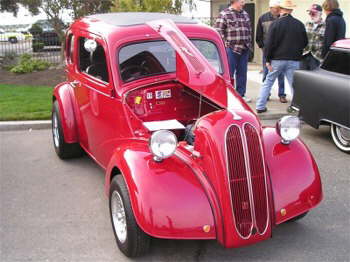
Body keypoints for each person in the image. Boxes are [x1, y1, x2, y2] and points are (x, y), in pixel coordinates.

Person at [256, 0, 308, 113]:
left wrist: (268, 60)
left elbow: (269, 44)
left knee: (268, 82)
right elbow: (305, 42)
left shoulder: (275, 24)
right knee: (294, 85)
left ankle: (260, 106)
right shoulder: (299, 24)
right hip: (294, 59)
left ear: (281, 9)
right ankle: (298, 107)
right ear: (291, 10)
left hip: (277, 59)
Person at [215, 0, 252, 103]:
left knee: (242, 73)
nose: (243, 3)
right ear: (234, 1)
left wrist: (249, 45)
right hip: (231, 49)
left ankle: (241, 95)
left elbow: (249, 30)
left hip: (244, 48)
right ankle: (227, 95)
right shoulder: (224, 14)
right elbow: (218, 31)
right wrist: (226, 45)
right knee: (228, 74)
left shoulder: (245, 14)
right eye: (241, 1)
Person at [256, 0, 287, 103]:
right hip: (267, 51)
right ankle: (266, 94)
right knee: (266, 73)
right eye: (276, 8)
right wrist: (263, 49)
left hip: (280, 52)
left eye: (279, 8)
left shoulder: (283, 18)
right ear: (270, 8)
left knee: (281, 74)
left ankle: (282, 94)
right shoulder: (262, 18)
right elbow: (259, 36)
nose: (278, 10)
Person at [302, 4, 326, 70]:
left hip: (317, 57)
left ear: (320, 14)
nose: (310, 15)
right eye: (309, 13)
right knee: (301, 78)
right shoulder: (307, 24)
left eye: (313, 13)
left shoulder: (326, 26)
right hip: (304, 54)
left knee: (313, 79)